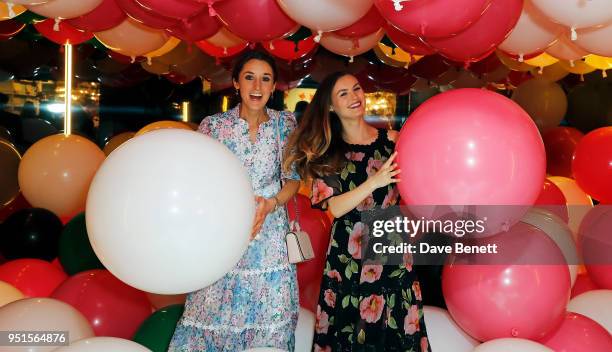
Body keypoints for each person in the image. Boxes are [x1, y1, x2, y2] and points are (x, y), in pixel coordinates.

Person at [284, 72, 430, 351]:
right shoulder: (326, 150)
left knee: (396, 322)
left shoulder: (394, 141)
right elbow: (334, 208)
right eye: (343, 94)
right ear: (330, 106)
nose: (354, 97)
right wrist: (375, 181)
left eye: (356, 89)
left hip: (390, 244)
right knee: (350, 328)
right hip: (348, 252)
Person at [168, 50, 301, 351]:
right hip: (224, 233)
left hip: (270, 235)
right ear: (235, 83)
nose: (257, 86)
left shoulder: (286, 125)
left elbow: (293, 179)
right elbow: (197, 180)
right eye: (249, 77)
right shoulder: (213, 127)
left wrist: (272, 203)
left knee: (272, 316)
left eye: (265, 79)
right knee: (212, 309)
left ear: (273, 86)